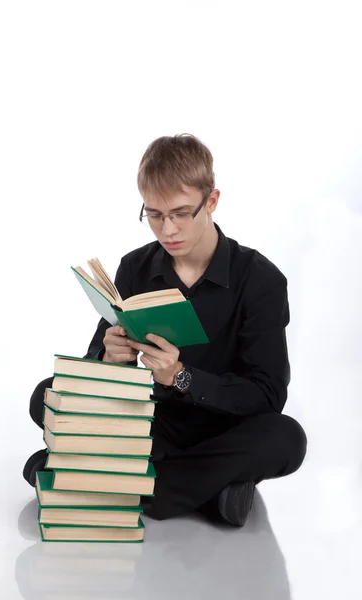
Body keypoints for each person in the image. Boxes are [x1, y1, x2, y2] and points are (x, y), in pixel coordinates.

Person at [23, 133, 307, 527]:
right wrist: (108, 355)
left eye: (179, 213)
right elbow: (93, 380)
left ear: (212, 201)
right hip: (152, 423)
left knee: (286, 438)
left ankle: (99, 482)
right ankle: (214, 494)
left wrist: (181, 376)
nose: (167, 229)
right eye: (154, 214)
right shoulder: (135, 267)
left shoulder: (260, 280)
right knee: (48, 395)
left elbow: (268, 396)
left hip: (226, 428)